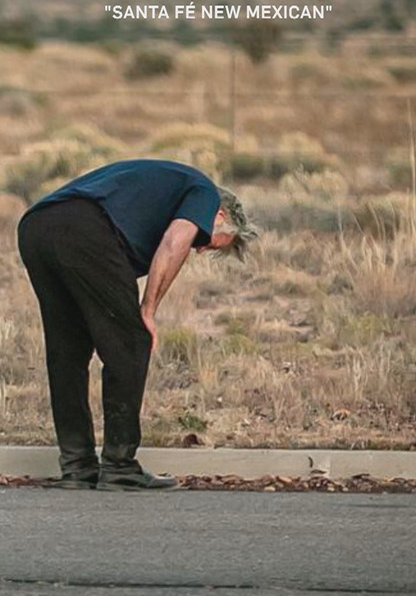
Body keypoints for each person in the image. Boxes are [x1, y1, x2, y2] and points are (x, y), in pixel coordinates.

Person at [17, 159, 256, 490]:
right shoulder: (204, 193)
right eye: (209, 241)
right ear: (220, 216)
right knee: (132, 342)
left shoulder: (162, 193)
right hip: (82, 227)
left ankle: (77, 467)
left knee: (68, 352)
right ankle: (119, 466)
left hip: (36, 226)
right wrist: (148, 310)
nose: (199, 249)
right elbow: (174, 242)